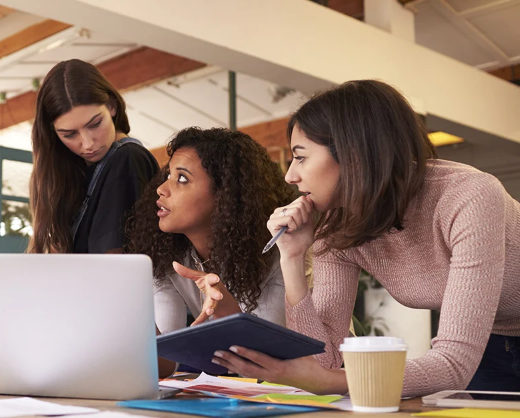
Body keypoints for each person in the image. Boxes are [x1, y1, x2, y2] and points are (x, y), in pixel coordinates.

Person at [209, 80, 520, 397]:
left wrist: (332, 382)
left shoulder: (468, 197)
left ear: (354, 154)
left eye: (300, 157)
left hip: (477, 350)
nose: (290, 175)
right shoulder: (337, 226)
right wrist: (291, 256)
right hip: (492, 342)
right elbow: (325, 358)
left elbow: (452, 365)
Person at [127, 127, 296, 333]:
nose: (161, 188)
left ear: (226, 195)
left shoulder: (278, 256)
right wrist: (130, 310)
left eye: (181, 178)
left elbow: (262, 355)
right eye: (168, 174)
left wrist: (223, 304)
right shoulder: (168, 257)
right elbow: (165, 360)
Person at [27, 59, 159, 254]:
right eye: (69, 134)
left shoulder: (127, 159)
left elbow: (113, 266)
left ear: (112, 106)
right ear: (53, 133)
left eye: (95, 124)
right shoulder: (73, 172)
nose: (88, 143)